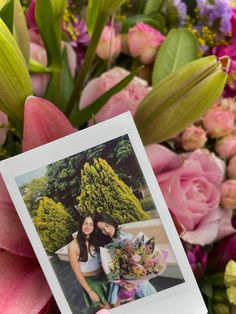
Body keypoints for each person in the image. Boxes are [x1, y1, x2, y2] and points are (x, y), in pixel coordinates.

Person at [94, 213, 156, 307]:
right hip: (118, 283)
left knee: (152, 300)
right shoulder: (104, 246)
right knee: (123, 303)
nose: (106, 231)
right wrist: (123, 283)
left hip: (138, 278)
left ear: (111, 221)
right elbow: (108, 268)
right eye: (102, 229)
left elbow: (142, 258)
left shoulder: (127, 237)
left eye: (107, 226)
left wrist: (145, 266)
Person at [68, 213, 109, 309]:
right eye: (85, 223)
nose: (88, 227)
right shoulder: (73, 246)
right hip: (91, 281)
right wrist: (90, 291)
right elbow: (77, 272)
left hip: (104, 275)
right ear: (80, 224)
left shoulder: (96, 239)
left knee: (115, 302)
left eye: (91, 224)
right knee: (106, 308)